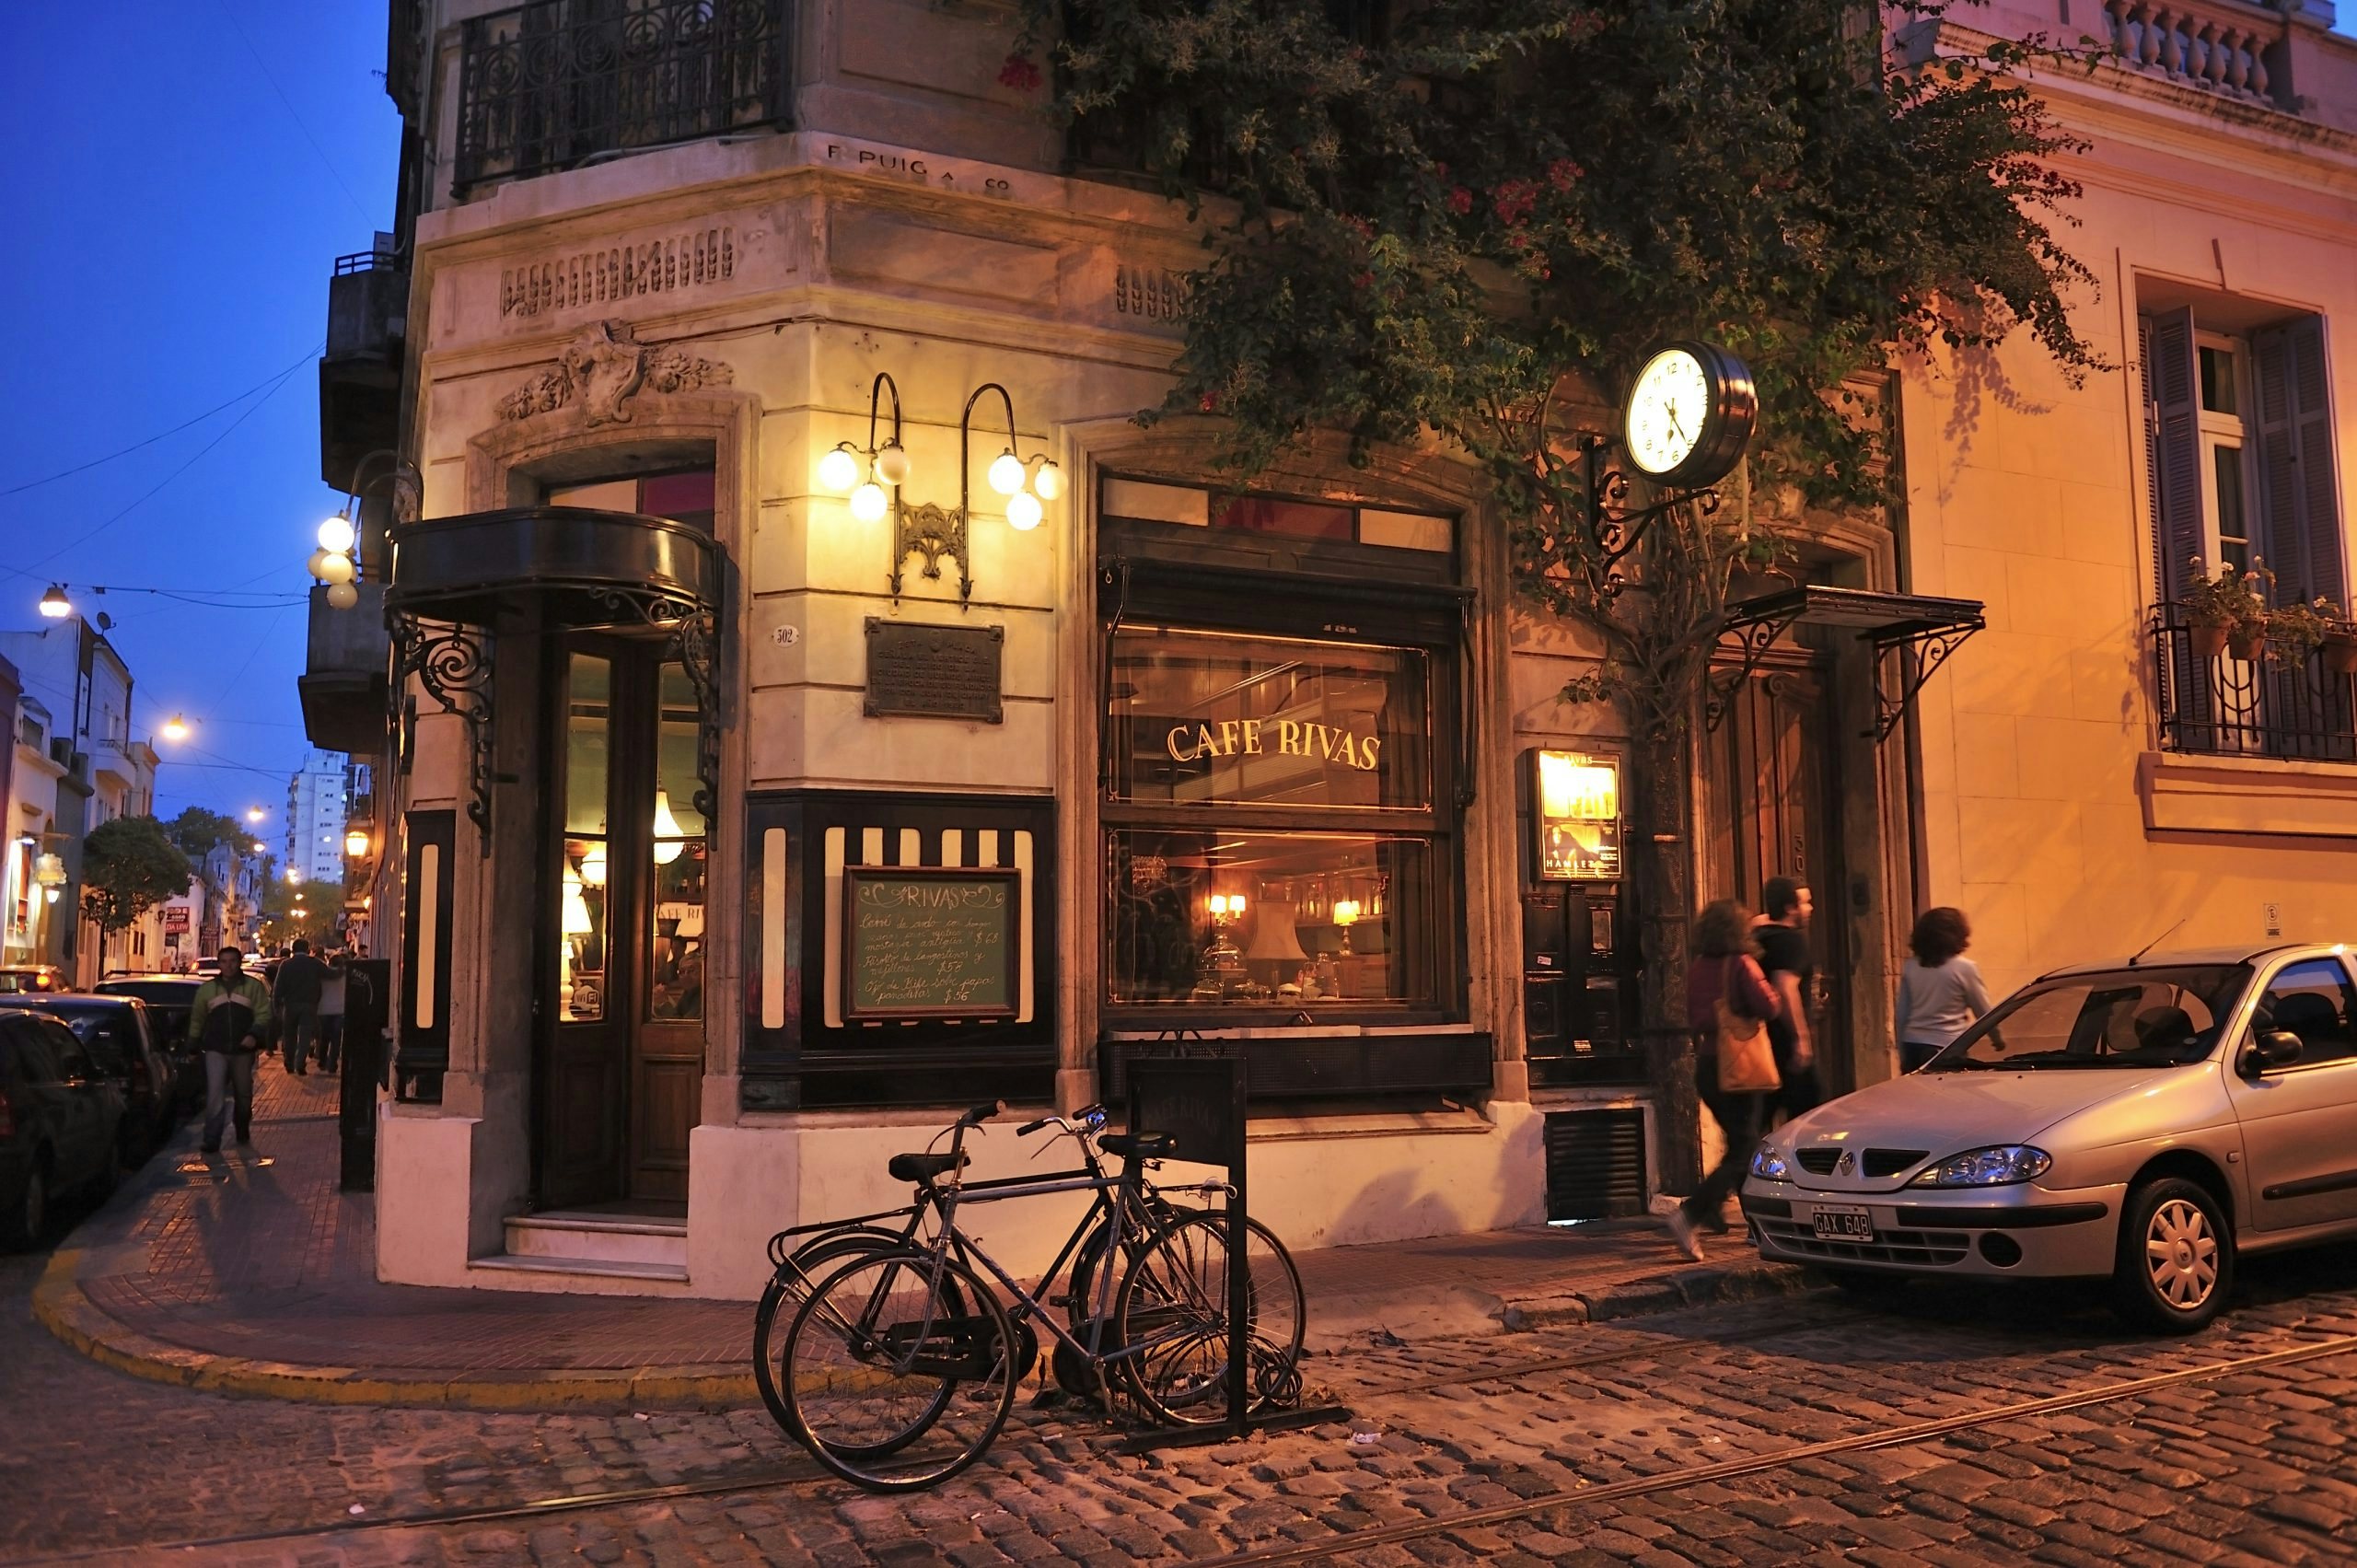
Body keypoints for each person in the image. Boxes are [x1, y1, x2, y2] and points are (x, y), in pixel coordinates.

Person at [1666, 899, 1782, 1262]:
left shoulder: (1698, 966)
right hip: (1740, 1067)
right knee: (1746, 1148)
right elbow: (1769, 1006)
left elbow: (1695, 1017)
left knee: (1738, 1142)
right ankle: (1693, 1213)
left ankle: (1730, 1217)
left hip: (1707, 1065)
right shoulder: (1742, 964)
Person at [188, 945, 273, 1154]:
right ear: (219, 964)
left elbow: (264, 1013)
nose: (228, 966)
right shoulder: (207, 990)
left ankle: (242, 1127)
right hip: (216, 1048)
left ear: (239, 962)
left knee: (243, 1094)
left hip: (242, 1050)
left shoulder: (253, 987)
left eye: (232, 961)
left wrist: (253, 1035)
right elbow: (197, 1018)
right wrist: (192, 1044)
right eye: (224, 961)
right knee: (215, 1094)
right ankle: (212, 1139)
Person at [1755, 877, 1821, 1121]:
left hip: (1763, 1044)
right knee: (1807, 1117)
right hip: (1786, 1044)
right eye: (1805, 903)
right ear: (1790, 908)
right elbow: (1784, 987)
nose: (1810, 908)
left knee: (1764, 1117)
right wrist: (1800, 1038)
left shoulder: (1760, 937)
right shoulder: (1791, 941)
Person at [1895, 906, 1991, 1074]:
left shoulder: (1911, 966)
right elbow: (1983, 1010)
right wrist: (1996, 1037)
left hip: (1913, 1043)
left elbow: (1902, 1013)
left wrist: (1901, 1048)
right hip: (1946, 1044)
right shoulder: (1965, 968)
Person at [273, 938, 327, 1075]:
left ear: (293, 950)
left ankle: (289, 1063)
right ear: (308, 949)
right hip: (309, 1005)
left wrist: (276, 1005)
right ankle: (300, 1064)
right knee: (305, 1036)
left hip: (290, 1005)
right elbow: (330, 974)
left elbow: (278, 987)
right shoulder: (315, 963)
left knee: (289, 1035)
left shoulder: (286, 965)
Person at [315, 949, 347, 1074]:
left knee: (324, 1037)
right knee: (336, 1039)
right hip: (339, 1009)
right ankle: (332, 1064)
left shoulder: (323, 975)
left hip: (323, 1009)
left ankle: (322, 1061)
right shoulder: (345, 975)